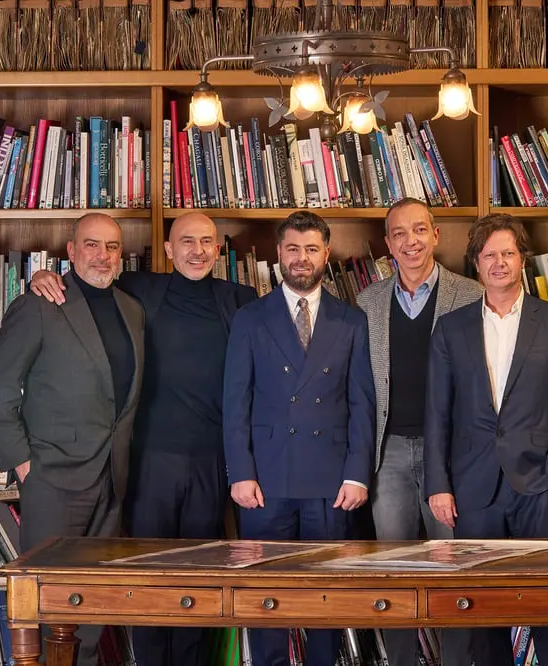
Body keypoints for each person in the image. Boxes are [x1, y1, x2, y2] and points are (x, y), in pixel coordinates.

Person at [28, 211, 256, 666]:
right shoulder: (138, 288)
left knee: (197, 580)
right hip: (148, 460)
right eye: (186, 241)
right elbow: (87, 279)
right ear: (168, 250)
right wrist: (41, 276)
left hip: (212, 461)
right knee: (149, 580)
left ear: (218, 249)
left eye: (207, 241)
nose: (197, 250)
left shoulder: (241, 299)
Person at [423, 213, 548, 666]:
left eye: (508, 253)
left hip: (541, 484)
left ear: (522, 260)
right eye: (489, 255)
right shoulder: (451, 328)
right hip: (473, 488)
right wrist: (438, 484)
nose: (499, 262)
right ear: (476, 264)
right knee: (484, 608)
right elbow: (437, 413)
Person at [0, 212, 145, 666]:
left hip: (111, 479)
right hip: (52, 479)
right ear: (70, 252)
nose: (102, 255)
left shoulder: (132, 310)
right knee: (46, 607)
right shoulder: (40, 303)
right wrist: (23, 463)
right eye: (91, 245)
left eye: (112, 246)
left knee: (89, 610)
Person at [223, 210, 376, 666]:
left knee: (324, 596)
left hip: (330, 483)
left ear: (326, 254)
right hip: (264, 481)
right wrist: (240, 473)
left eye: (311, 249)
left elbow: (362, 404)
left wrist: (357, 475)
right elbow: (235, 403)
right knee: (264, 595)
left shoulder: (352, 321)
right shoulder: (250, 318)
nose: (301, 258)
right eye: (293, 248)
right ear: (278, 254)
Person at [355, 197, 479, 666]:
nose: (411, 241)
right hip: (387, 456)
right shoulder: (367, 302)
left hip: (448, 455)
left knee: (452, 568)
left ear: (436, 235)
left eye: (419, 230)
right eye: (400, 234)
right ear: (388, 244)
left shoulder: (470, 295)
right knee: (394, 570)